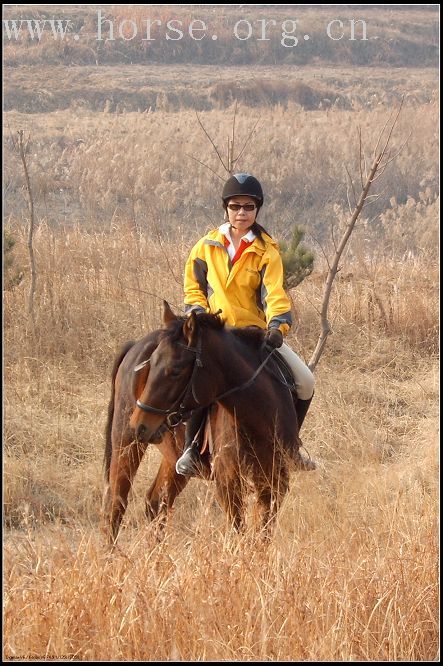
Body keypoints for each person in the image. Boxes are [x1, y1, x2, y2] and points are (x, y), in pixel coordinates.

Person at [175, 172, 316, 476]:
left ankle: (291, 447)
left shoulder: (267, 250)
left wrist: (278, 326)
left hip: (254, 336)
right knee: (196, 378)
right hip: (216, 331)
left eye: (249, 207)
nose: (242, 213)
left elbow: (275, 293)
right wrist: (199, 315)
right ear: (226, 208)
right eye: (236, 206)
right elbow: (193, 287)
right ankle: (191, 451)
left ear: (257, 209)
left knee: (305, 382)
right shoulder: (205, 246)